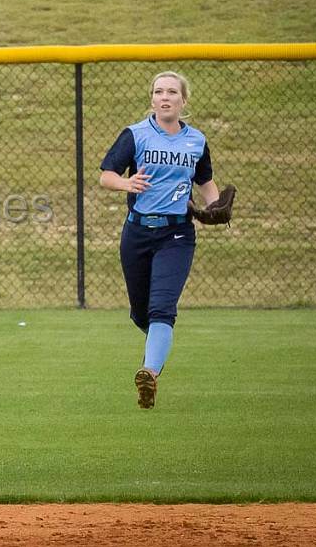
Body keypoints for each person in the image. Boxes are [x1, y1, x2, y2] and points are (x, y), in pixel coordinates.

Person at [99, 71, 220, 409]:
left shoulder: (196, 140)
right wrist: (126, 184)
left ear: (183, 100)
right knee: (141, 313)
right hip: (137, 233)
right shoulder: (135, 135)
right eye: (158, 92)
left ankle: (149, 374)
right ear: (152, 99)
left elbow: (206, 182)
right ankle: (156, 350)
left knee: (161, 309)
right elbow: (106, 176)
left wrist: (216, 207)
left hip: (177, 233)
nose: (165, 97)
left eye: (171, 92)